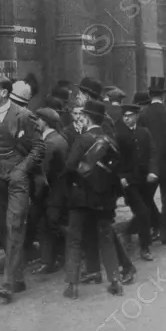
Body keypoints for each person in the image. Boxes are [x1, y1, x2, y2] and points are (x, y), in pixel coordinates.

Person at [0, 75, 44, 303]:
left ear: (4, 93)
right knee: (2, 227)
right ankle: (17, 276)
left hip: (17, 178)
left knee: (14, 224)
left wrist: (21, 170)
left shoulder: (24, 115)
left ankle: (7, 283)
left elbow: (38, 147)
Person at [63, 98, 123, 300]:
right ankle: (115, 280)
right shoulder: (111, 140)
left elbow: (70, 166)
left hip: (80, 197)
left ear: (87, 117)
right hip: (103, 198)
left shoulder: (82, 140)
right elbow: (115, 172)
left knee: (75, 239)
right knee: (106, 238)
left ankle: (72, 285)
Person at [138, 78, 166, 244]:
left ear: (149, 95)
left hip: (150, 165)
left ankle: (146, 234)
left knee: (146, 199)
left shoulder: (142, 115)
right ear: (163, 96)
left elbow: (140, 139)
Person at [28, 107, 68, 274]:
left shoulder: (49, 144)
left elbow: (43, 174)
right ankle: (54, 259)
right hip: (59, 192)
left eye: (38, 120)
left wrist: (35, 196)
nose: (36, 124)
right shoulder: (60, 139)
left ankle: (53, 260)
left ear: (44, 122)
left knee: (48, 226)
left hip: (49, 193)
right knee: (52, 226)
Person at [115, 102, 154, 260]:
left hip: (144, 179)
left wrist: (153, 171)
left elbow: (152, 153)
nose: (127, 119)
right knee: (143, 212)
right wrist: (120, 177)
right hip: (129, 181)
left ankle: (129, 230)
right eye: (124, 116)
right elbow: (114, 159)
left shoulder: (144, 132)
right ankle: (145, 247)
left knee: (144, 211)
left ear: (136, 116)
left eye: (130, 116)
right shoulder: (118, 135)